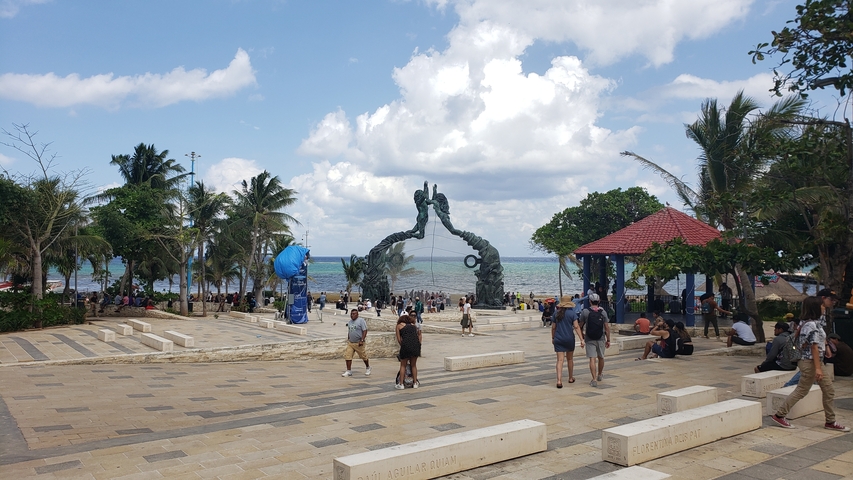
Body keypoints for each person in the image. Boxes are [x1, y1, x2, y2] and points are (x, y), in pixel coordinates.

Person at [770, 297, 850, 432]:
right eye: (821, 306)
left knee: (826, 390)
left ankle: (830, 420)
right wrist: (818, 368)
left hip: (813, 361)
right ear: (815, 308)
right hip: (811, 362)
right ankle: (780, 414)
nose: (824, 307)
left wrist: (826, 348)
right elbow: (813, 347)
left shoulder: (809, 322)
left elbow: (818, 339)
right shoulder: (811, 325)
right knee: (803, 390)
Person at [578, 293, 611, 387]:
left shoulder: (585, 312)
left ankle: (594, 379)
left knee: (592, 358)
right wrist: (608, 339)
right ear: (599, 301)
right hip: (601, 338)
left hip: (589, 338)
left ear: (590, 301)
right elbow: (607, 327)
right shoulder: (603, 312)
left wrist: (582, 336)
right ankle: (600, 374)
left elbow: (580, 325)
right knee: (601, 357)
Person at [551, 296, 582, 388]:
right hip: (569, 339)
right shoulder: (572, 314)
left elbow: (553, 327)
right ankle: (570, 377)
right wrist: (581, 339)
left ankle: (559, 380)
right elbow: (576, 327)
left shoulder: (556, 313)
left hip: (558, 338)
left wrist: (553, 337)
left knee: (560, 360)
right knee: (570, 359)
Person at [342, 309, 371, 377]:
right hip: (351, 343)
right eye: (351, 314)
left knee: (363, 356)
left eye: (354, 314)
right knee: (347, 356)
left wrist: (362, 340)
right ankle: (348, 371)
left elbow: (364, 330)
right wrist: (348, 338)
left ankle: (368, 367)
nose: (352, 315)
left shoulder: (361, 321)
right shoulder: (350, 322)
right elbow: (349, 331)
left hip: (359, 343)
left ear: (357, 314)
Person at [395, 314, 422, 389]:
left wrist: (403, 346)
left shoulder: (399, 326)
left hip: (406, 346)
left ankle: (401, 384)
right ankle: (415, 383)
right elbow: (417, 335)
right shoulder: (414, 326)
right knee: (413, 365)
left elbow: (399, 339)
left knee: (403, 365)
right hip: (415, 346)